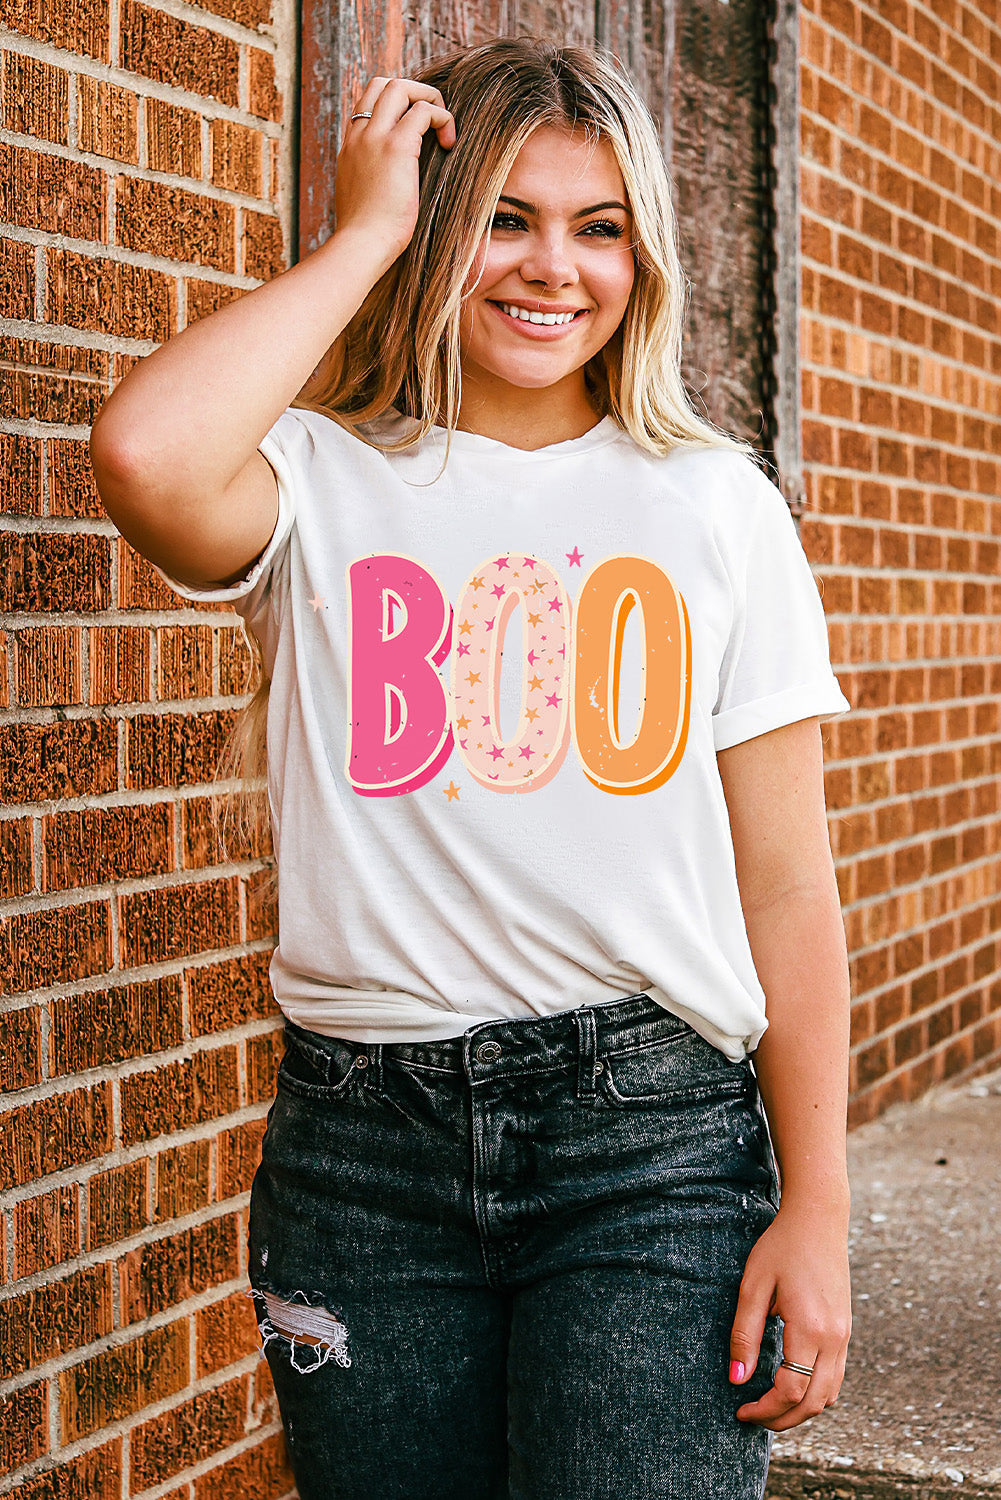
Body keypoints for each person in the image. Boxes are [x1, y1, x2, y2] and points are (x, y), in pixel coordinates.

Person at [90, 37, 852, 1500]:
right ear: (443, 233)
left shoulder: (713, 505)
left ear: (645, 255)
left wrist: (814, 1208)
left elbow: (788, 886)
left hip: (648, 1150)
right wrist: (369, 229)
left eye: (598, 225)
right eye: (502, 215)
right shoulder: (319, 477)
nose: (550, 267)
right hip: (359, 1157)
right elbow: (142, 452)